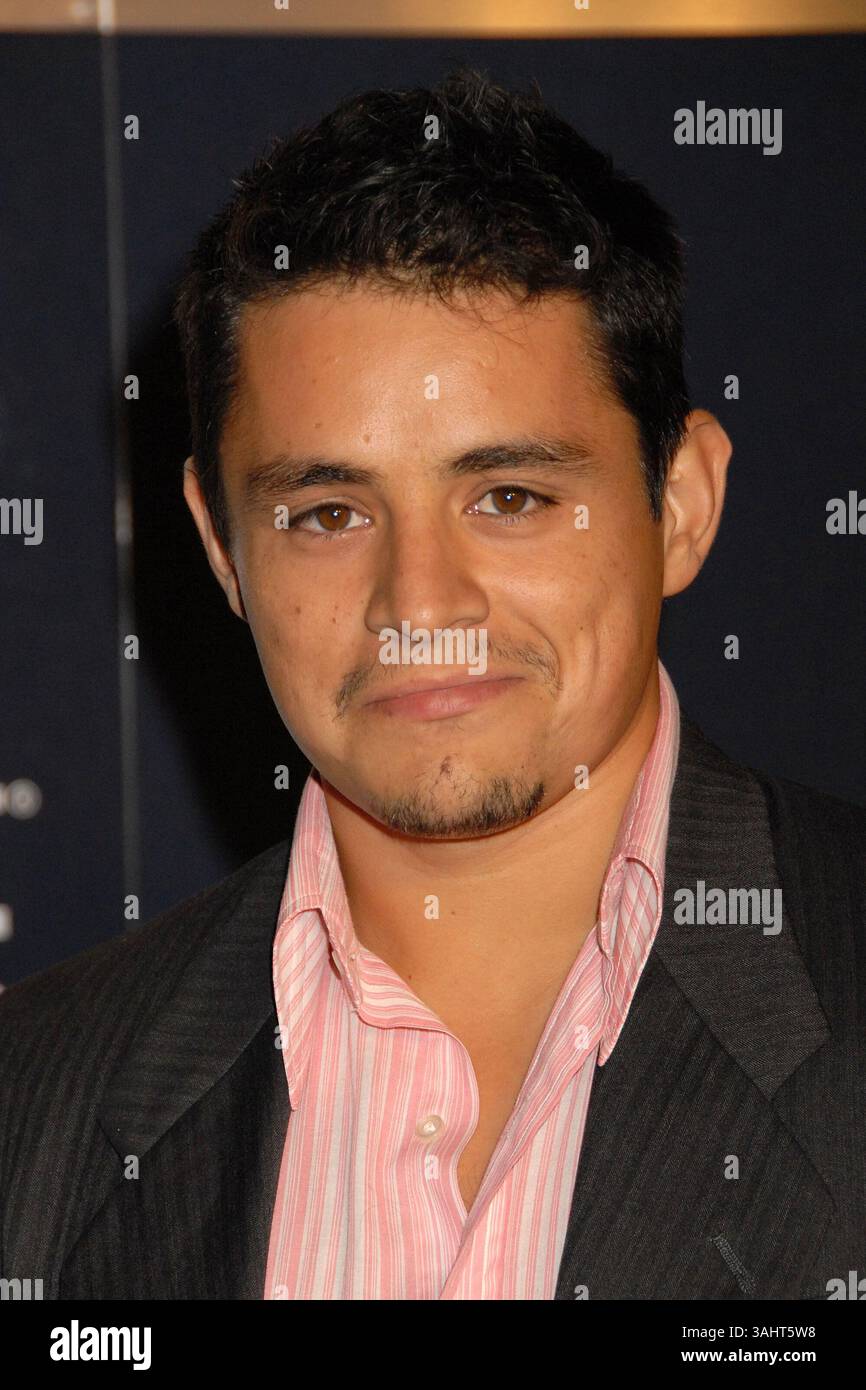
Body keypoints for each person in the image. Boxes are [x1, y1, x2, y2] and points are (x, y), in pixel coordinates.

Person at [1, 68, 863, 1302]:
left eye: (507, 497)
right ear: (221, 550)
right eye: (327, 511)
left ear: (678, 504)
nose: (419, 605)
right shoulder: (30, 1103)